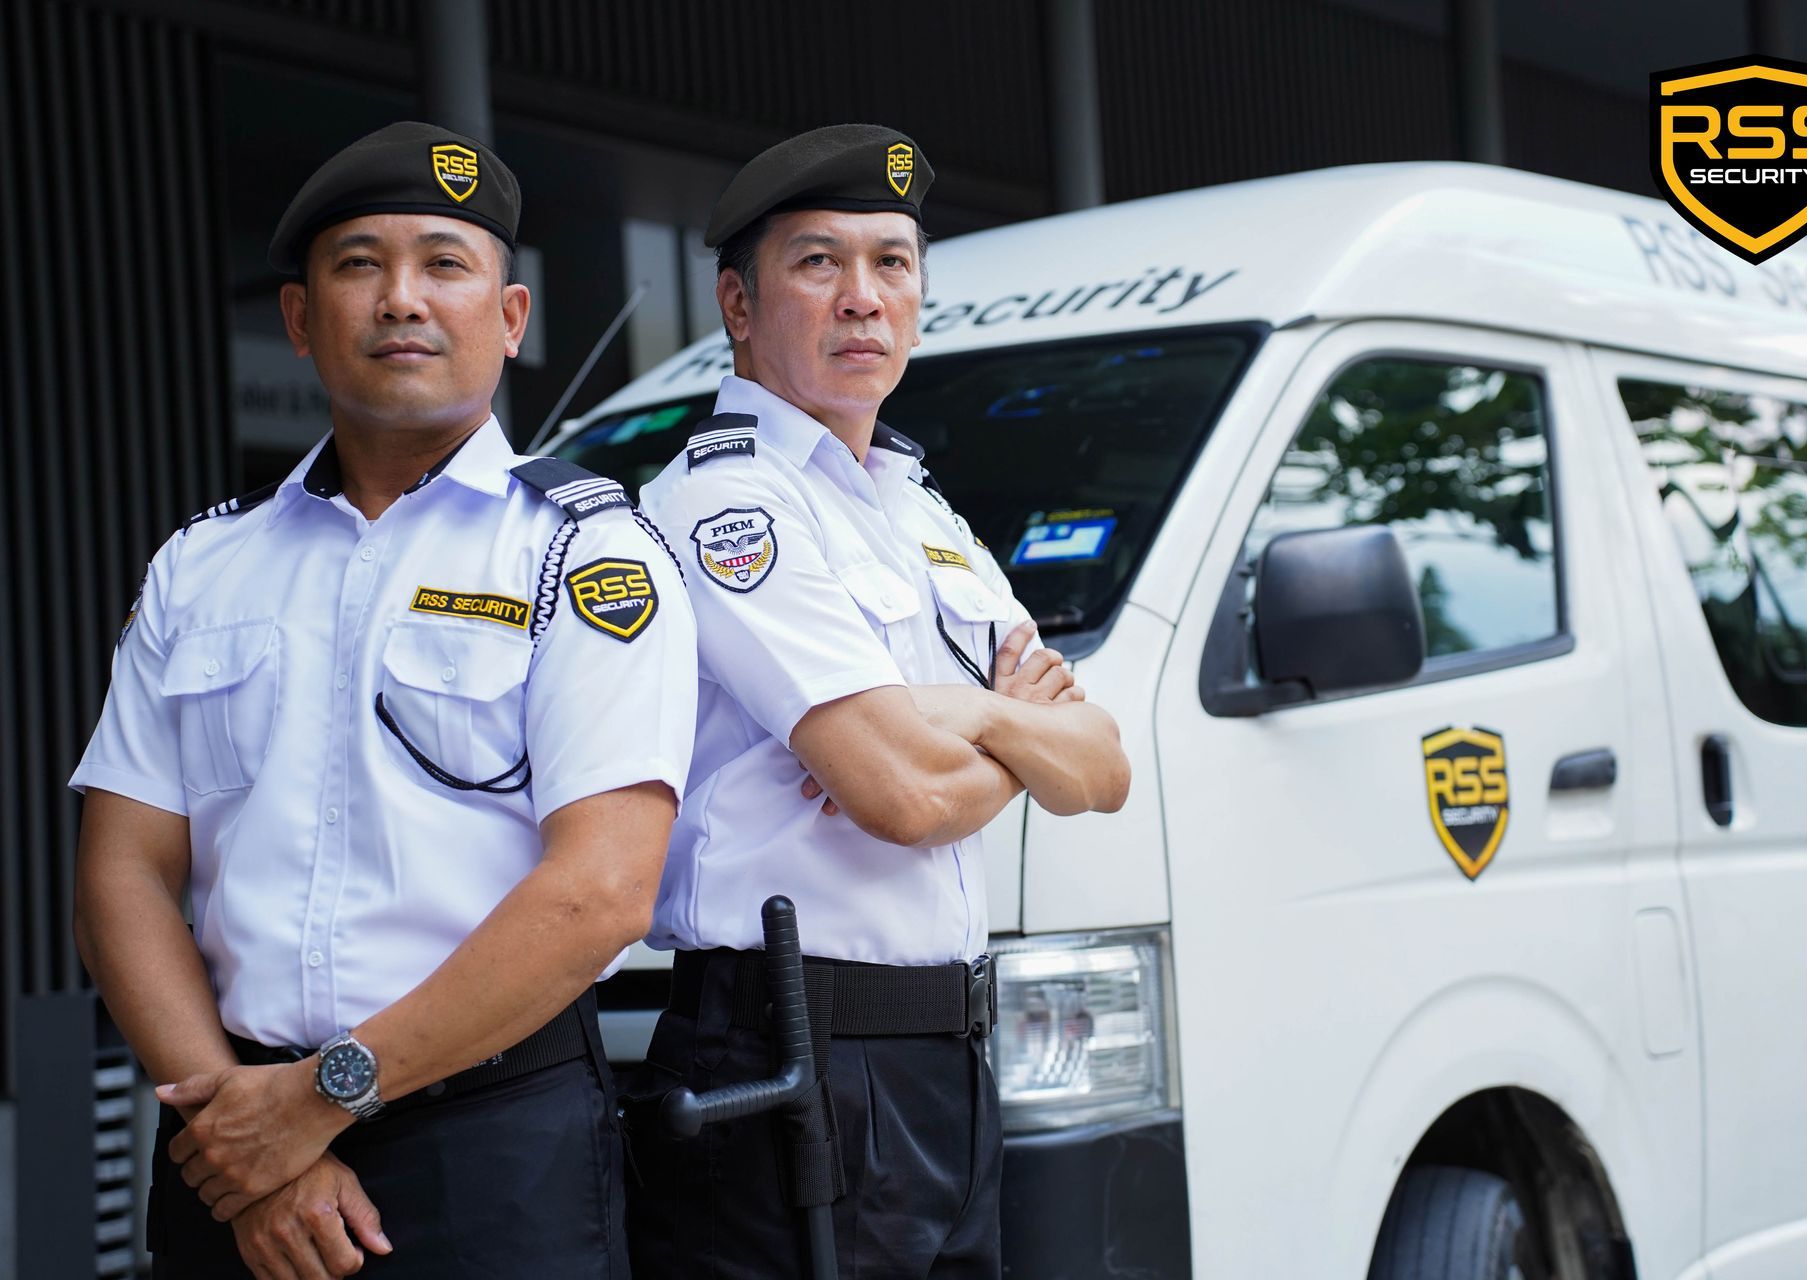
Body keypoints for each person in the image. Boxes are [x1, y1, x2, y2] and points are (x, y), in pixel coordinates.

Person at [69, 121, 695, 1280]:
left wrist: (320, 1098)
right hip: (227, 1135)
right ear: (301, 320)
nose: (401, 297)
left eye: (444, 263)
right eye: (359, 264)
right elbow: (121, 871)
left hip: (490, 1153)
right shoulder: (202, 565)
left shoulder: (587, 554)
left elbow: (603, 887)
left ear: (509, 318)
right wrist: (255, 1138)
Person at [629, 123, 1132, 1278]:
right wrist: (1009, 719)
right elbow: (900, 791)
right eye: (819, 262)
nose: (864, 297)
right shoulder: (728, 506)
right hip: (789, 1047)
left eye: (893, 262)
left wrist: (962, 715)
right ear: (737, 304)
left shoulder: (922, 514)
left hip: (944, 1054)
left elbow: (1103, 768)